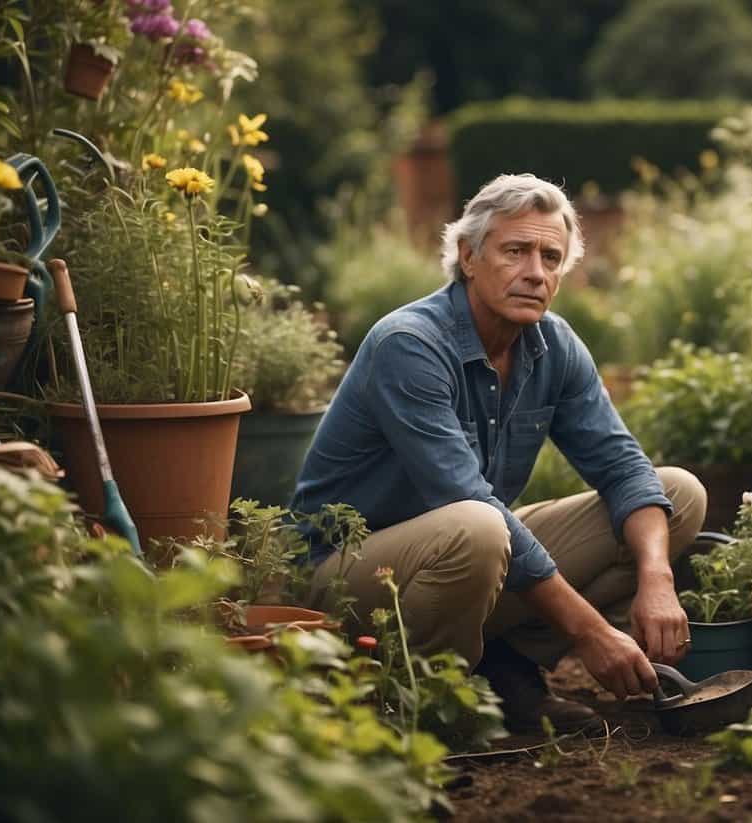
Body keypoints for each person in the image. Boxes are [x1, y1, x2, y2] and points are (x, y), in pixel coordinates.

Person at [291, 173, 707, 732]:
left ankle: (503, 667)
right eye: (516, 251)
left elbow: (622, 465)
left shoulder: (553, 344)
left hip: (468, 558)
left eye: (551, 257)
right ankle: (426, 703)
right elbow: (464, 497)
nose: (536, 272)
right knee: (480, 527)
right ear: (468, 256)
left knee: (677, 494)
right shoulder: (409, 345)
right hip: (349, 577)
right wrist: (590, 632)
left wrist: (657, 578)